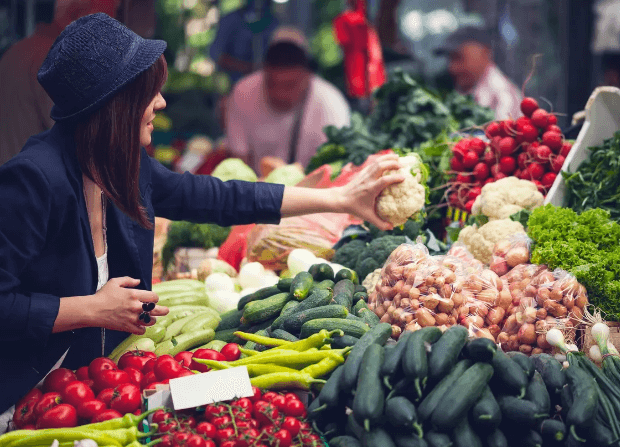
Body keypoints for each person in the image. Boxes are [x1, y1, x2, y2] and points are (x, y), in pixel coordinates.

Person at [0, 13, 404, 420]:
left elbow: (220, 198)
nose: (160, 102)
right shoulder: (34, 180)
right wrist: (90, 308)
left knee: (232, 387)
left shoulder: (121, 164)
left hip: (101, 388)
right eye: (149, 93)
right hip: (32, 399)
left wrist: (341, 198)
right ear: (114, 105)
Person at [0, 0, 121, 167]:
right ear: (78, 15)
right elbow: (81, 140)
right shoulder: (57, 58)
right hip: (33, 185)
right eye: (106, 24)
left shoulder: (16, 51)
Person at [226, 26, 351, 174]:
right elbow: (239, 164)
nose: (280, 94)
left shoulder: (331, 104)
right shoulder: (243, 93)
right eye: (271, 84)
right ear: (263, 73)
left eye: (289, 85)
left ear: (308, 78)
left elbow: (335, 170)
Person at [435, 26, 523, 120]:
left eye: (459, 57)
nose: (452, 68)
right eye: (450, 59)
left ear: (485, 53)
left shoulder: (502, 98)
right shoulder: (467, 91)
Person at [209, 0, 279, 85]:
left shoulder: (275, 23)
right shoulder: (231, 20)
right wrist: (247, 67)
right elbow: (216, 54)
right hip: (235, 85)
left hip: (268, 86)